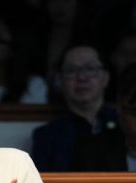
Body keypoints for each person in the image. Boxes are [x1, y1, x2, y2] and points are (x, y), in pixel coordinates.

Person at [30, 43, 116, 174]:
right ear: (60, 80)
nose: (81, 77)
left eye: (90, 68)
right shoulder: (46, 137)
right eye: (71, 70)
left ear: (106, 77)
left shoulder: (126, 125)